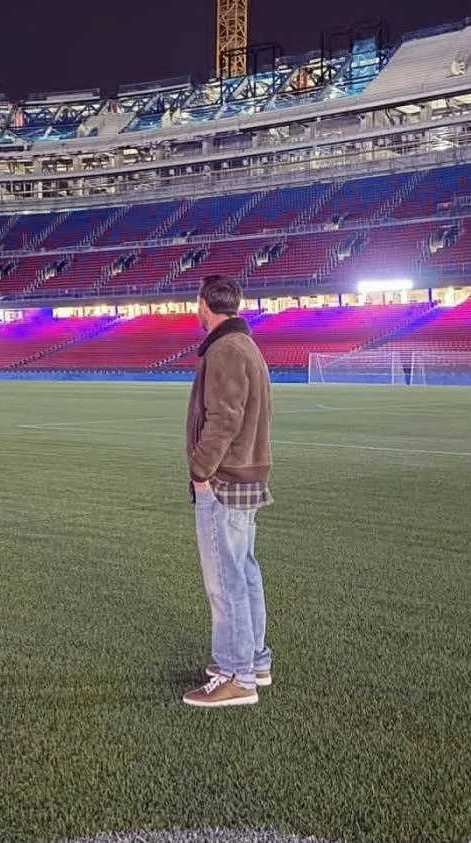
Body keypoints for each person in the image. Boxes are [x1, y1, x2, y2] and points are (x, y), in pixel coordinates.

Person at [182, 274, 274, 708]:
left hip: (225, 480)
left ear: (204, 304)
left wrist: (200, 470)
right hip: (246, 476)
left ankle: (237, 675)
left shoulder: (225, 349)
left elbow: (224, 419)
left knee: (225, 579)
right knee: (244, 571)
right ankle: (254, 661)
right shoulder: (245, 345)